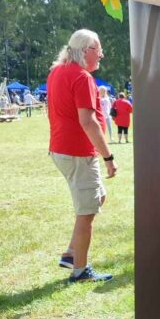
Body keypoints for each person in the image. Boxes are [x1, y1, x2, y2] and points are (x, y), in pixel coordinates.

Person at [47, 29, 117, 283]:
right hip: (77, 152)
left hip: (61, 149)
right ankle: (80, 270)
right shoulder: (82, 77)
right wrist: (108, 157)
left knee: (97, 197)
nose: (101, 54)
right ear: (85, 50)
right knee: (87, 211)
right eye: (98, 49)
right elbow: (88, 122)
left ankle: (71, 253)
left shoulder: (57, 71)